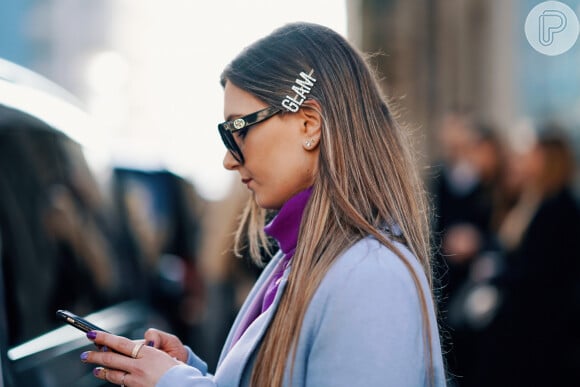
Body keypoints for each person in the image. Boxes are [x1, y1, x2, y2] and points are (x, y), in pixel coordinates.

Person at [79, 22, 446, 386]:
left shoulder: (370, 275)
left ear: (309, 125)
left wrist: (176, 384)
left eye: (239, 129)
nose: (229, 159)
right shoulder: (303, 254)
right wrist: (189, 369)